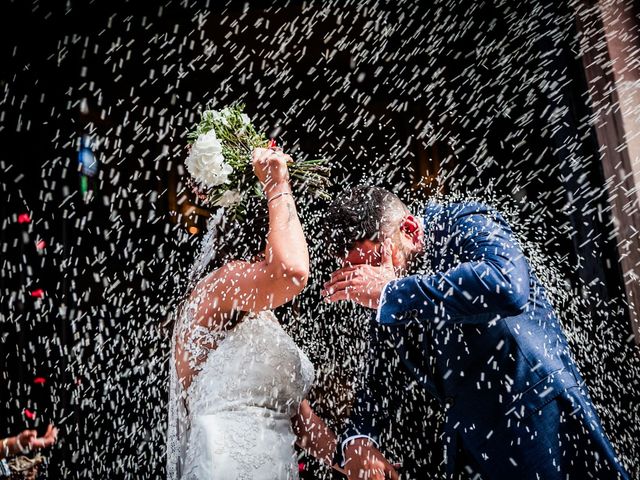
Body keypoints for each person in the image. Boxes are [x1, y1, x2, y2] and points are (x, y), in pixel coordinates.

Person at [322, 186, 629, 480]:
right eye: (356, 272)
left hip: (541, 426)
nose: (369, 279)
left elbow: (506, 286)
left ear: (411, 230)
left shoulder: (465, 221)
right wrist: (357, 441)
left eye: (375, 262)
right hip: (471, 451)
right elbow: (378, 382)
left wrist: (392, 291)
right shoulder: (388, 289)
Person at [167, 147, 338, 479]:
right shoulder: (220, 286)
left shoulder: (260, 317)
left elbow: (296, 416)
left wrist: (348, 459)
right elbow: (292, 270)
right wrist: (276, 185)